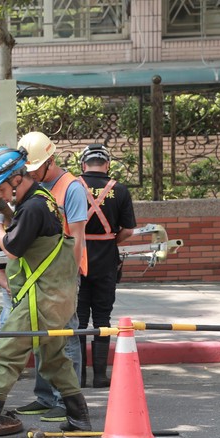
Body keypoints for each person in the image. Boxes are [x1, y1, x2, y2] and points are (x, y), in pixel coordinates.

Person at [0, 147, 91, 438]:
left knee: (4, 352)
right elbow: (23, 225)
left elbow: (12, 244)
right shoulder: (42, 200)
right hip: (57, 297)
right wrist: (4, 208)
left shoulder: (34, 208)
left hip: (41, 298)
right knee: (53, 359)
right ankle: (79, 417)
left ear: (16, 177)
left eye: (0, 187)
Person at [13, 131, 88, 422]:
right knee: (42, 336)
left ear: (50, 161)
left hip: (62, 275)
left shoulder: (72, 188)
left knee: (66, 336)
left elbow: (77, 235)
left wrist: (70, 274)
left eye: (33, 169)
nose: (30, 175)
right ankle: (45, 397)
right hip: (40, 275)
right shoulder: (37, 189)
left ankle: (65, 401)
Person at [77, 143, 136, 388]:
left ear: (83, 165)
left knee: (78, 320)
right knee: (102, 317)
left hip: (77, 260)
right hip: (106, 260)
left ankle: (77, 375)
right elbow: (128, 230)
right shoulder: (119, 190)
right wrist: (111, 241)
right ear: (107, 164)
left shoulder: (73, 186)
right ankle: (100, 376)